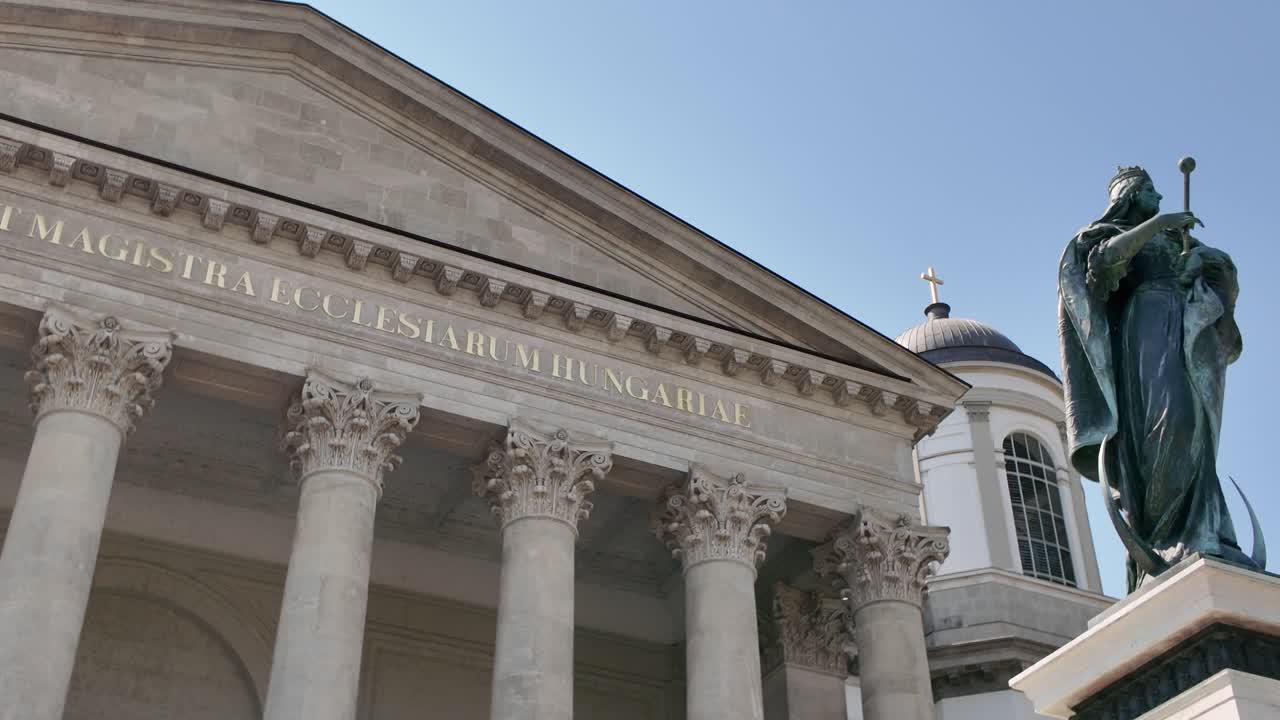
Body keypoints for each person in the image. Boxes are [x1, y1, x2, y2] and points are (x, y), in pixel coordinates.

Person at [1057, 165, 1254, 592]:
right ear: (1129, 196)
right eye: (1149, 191)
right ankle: (1164, 537)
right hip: (1145, 328)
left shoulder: (1180, 242)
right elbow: (1103, 268)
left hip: (1187, 328)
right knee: (1169, 422)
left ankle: (1201, 532)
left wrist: (1207, 263)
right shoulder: (1106, 235)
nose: (1161, 197)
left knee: (1197, 430)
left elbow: (1226, 283)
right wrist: (1157, 225)